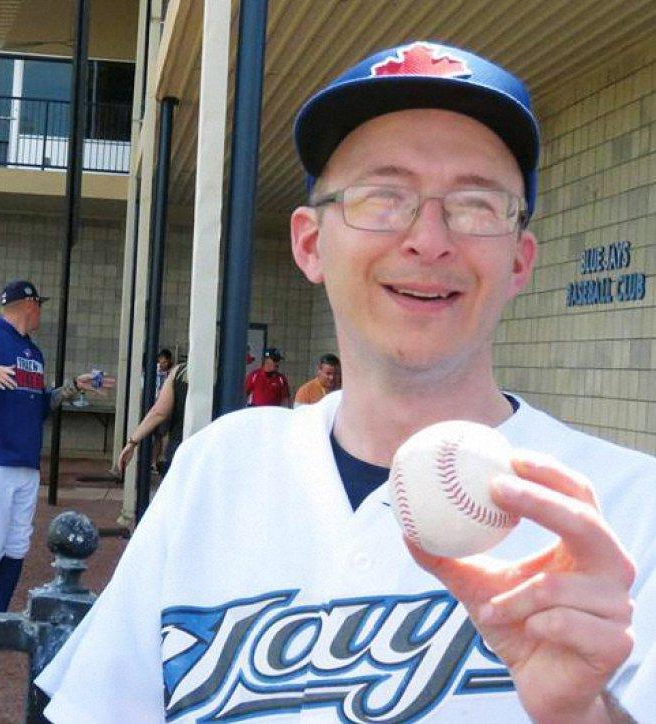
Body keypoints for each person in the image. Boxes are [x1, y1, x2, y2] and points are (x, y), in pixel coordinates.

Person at [37, 42, 656, 722]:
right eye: (382, 197)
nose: (429, 238)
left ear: (519, 261)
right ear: (309, 244)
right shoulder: (219, 465)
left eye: (476, 204)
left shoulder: (631, 513)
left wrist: (586, 715)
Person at [0, 280, 113, 613]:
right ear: (29, 305)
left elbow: (39, 405)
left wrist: (71, 388)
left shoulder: (33, 352)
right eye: (40, 305)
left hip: (24, 456)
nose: (41, 313)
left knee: (18, 542)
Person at [118, 361, 188, 477]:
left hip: (180, 443)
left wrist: (132, 442)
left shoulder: (180, 372)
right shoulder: (225, 372)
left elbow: (159, 412)